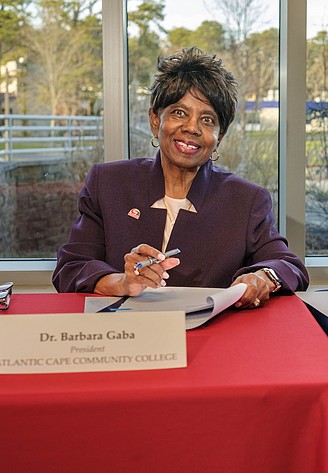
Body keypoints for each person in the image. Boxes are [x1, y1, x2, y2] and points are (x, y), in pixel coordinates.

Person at [53, 47, 308, 308]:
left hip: (210, 337)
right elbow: (71, 267)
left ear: (219, 137)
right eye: (179, 113)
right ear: (155, 120)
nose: (192, 128)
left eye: (207, 119)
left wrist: (262, 276)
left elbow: (287, 265)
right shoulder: (108, 183)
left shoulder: (246, 200)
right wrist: (122, 282)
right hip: (125, 335)